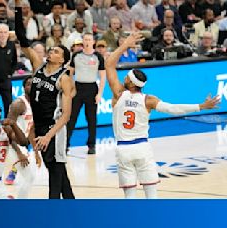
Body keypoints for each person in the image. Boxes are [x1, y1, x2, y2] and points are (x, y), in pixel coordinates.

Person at [105, 32, 220, 198]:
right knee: (151, 193)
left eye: (127, 77)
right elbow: (173, 109)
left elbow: (109, 64)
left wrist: (125, 45)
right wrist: (200, 106)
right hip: (142, 148)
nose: (125, 78)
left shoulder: (118, 94)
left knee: (129, 195)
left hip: (123, 149)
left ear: (130, 83)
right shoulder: (148, 100)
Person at [15, 0, 75, 199]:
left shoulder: (64, 79)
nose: (52, 51)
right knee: (57, 172)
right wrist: (17, 9)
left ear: (62, 59)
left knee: (55, 175)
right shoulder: (38, 66)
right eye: (52, 49)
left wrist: (48, 136)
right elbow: (22, 41)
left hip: (54, 130)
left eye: (56, 51)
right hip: (40, 126)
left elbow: (66, 115)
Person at [3, 76, 43, 199]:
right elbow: (7, 129)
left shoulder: (36, 104)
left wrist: (36, 152)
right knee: (29, 176)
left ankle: (11, 199)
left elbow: (31, 131)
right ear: (24, 87)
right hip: (11, 145)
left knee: (29, 176)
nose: (31, 87)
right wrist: (19, 152)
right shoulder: (18, 104)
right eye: (28, 84)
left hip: (22, 144)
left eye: (34, 84)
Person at [67, 33, 106, 155]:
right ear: (82, 41)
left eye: (89, 39)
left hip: (91, 87)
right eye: (85, 39)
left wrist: (99, 93)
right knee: (71, 117)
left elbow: (103, 76)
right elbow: (70, 73)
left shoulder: (98, 56)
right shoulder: (76, 55)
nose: (87, 41)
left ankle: (91, 145)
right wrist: (70, 89)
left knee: (91, 119)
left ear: (93, 41)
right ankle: (66, 144)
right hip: (78, 87)